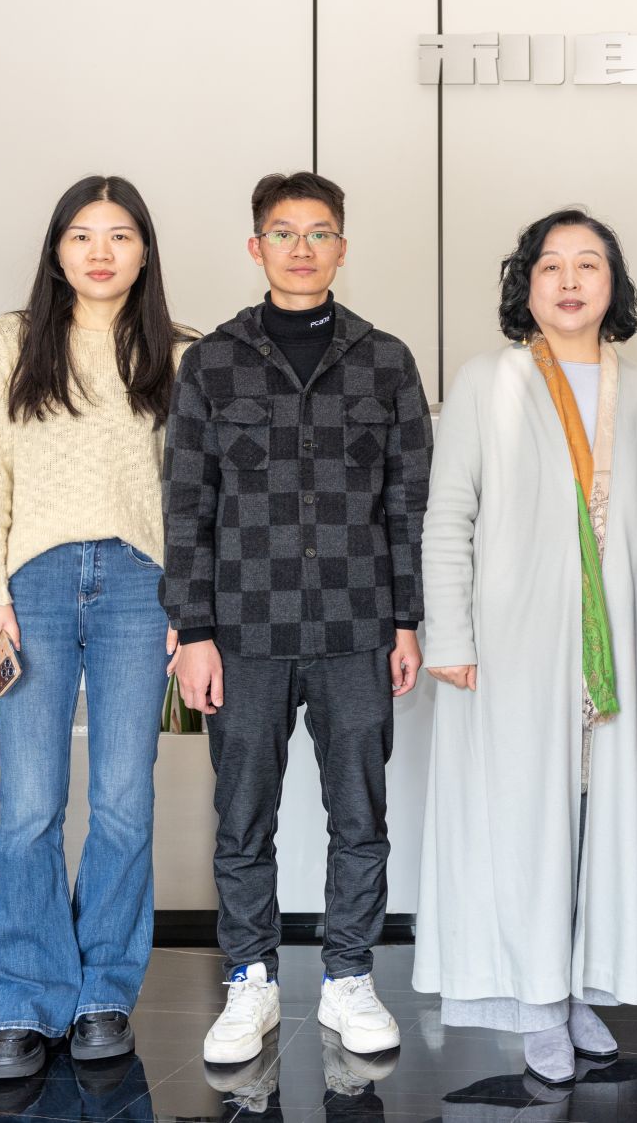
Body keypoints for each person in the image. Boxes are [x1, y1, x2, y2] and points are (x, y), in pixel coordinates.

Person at [162, 171, 432, 1065]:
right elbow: (186, 506)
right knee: (243, 816)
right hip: (243, 631)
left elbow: (408, 504)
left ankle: (349, 975)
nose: (302, 248)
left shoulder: (387, 361)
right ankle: (251, 979)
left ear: (342, 248)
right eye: (284, 232)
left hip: (357, 626)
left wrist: (407, 619)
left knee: (361, 813)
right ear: (257, 246)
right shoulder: (211, 364)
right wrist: (193, 630)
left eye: (320, 233)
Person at [412, 208, 637, 1086]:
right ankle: (533, 1001)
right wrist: (450, 633)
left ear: (613, 285)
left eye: (587, 264)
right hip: (510, 640)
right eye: (550, 264)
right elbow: (449, 513)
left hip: (616, 637)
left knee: (599, 818)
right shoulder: (488, 379)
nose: (568, 280)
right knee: (524, 818)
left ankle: (578, 985)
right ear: (525, 285)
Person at [0, 174, 191, 1080]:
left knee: (125, 799)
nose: (101, 251)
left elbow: (196, 493)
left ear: (144, 251)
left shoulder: (177, 352)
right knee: (30, 803)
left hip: (140, 586)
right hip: (34, 588)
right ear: (57, 250)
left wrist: (189, 606)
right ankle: (23, 1004)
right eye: (83, 234)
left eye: (121, 234)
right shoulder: (12, 342)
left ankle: (103, 996)